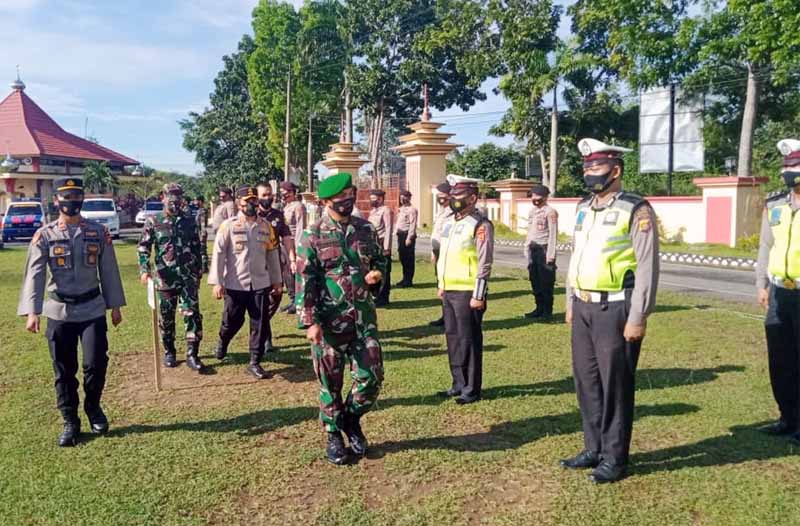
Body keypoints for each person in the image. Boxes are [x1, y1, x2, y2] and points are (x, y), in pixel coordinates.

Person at [561, 138, 659, 484]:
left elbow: (647, 267)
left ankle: (615, 458)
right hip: (584, 305)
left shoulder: (636, 209)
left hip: (616, 306)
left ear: (615, 170)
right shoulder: (583, 207)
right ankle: (594, 447)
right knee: (586, 381)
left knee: (614, 384)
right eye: (586, 167)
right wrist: (570, 300)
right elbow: (576, 256)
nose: (590, 173)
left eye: (596, 167)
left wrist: (638, 316)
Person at [17, 177, 125, 446]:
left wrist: (115, 306)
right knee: (64, 370)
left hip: (92, 309)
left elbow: (109, 270)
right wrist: (33, 312)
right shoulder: (45, 235)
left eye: (76, 196)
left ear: (82, 200)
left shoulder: (98, 232)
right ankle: (70, 420)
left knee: (95, 364)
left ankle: (93, 407)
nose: (71, 201)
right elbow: (35, 274)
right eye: (66, 196)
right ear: (56, 200)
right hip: (59, 311)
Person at [296, 172, 388, 465]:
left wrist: (377, 277)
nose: (348, 200)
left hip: (363, 319)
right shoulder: (313, 235)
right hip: (328, 322)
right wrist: (309, 321)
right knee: (330, 383)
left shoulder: (366, 229)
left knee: (371, 377)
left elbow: (379, 261)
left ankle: (351, 419)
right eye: (341, 197)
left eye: (351, 194)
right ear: (326, 201)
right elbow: (304, 280)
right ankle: (334, 434)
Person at [209, 185, 282, 379]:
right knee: (232, 320)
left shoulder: (266, 226)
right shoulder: (228, 226)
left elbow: (272, 255)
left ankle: (255, 361)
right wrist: (217, 282)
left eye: (253, 201)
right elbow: (218, 254)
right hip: (235, 283)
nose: (251, 204)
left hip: (260, 282)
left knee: (260, 322)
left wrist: (276, 281)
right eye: (246, 201)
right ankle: (223, 341)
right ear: (238, 203)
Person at [755, 138, 800, 443]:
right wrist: (761, 283)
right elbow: (765, 246)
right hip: (779, 293)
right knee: (781, 360)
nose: (789, 171)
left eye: (795, 165)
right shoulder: (775, 204)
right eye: (786, 166)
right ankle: (788, 417)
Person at [436, 175, 494, 405]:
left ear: (472, 197)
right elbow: (444, 256)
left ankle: (471, 388)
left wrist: (478, 295)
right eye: (453, 196)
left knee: (468, 340)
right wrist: (442, 284)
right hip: (450, 289)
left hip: (468, 292)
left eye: (459, 196)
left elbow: (484, 262)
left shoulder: (480, 224)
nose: (454, 200)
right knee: (453, 339)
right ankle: (457, 383)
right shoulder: (451, 222)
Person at [138, 183, 205, 372]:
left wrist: (199, 271)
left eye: (178, 196)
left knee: (192, 314)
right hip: (165, 278)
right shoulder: (154, 221)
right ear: (163, 197)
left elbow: (196, 247)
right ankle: (169, 351)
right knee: (166, 317)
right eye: (170, 196)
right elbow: (143, 247)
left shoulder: (189, 221)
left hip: (187, 277)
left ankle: (192, 354)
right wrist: (144, 269)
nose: (174, 201)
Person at [257, 182, 292, 352]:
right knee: (262, 300)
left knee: (276, 297)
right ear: (256, 197)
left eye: (269, 194)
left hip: (275, 263)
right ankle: (265, 338)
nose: (268, 197)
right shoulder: (251, 215)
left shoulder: (278, 214)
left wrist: (292, 258)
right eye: (264, 194)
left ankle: (260, 324)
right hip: (256, 265)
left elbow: (286, 236)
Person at [524, 184, 558, 320]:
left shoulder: (550, 212)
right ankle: (538, 308)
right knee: (535, 280)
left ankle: (547, 312)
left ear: (545, 198)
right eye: (533, 197)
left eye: (538, 198)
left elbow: (553, 234)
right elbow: (530, 231)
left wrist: (551, 254)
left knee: (546, 282)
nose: (535, 200)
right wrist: (526, 247)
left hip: (544, 249)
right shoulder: (532, 211)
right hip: (533, 248)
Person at [280, 181, 307, 314]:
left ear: (292, 193)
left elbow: (300, 228)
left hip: (293, 243)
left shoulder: (298, 206)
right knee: (286, 273)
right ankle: (292, 299)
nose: (283, 196)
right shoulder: (286, 206)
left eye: (286, 193)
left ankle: (298, 301)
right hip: (284, 243)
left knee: (294, 272)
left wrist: (297, 250)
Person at [429, 181, 452, 327]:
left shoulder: (452, 212)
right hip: (438, 252)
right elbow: (436, 233)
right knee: (440, 284)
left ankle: (449, 317)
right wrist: (433, 251)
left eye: (443, 196)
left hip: (447, 252)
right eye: (438, 196)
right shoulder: (440, 211)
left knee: (447, 285)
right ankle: (444, 315)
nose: (440, 198)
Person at [368, 189, 394, 306]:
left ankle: (384, 297)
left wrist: (386, 248)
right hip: (373, 245)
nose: (372, 200)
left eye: (374, 198)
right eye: (371, 198)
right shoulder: (373, 211)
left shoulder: (386, 210)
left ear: (380, 198)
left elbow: (388, 229)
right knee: (375, 271)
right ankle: (376, 295)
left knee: (384, 272)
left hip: (382, 243)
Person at [395, 190, 419, 288]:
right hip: (400, 235)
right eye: (401, 197)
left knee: (408, 259)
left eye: (404, 197)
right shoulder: (401, 209)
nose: (402, 199)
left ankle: (408, 280)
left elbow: (413, 225)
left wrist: (409, 238)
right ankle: (404, 278)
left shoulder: (412, 210)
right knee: (403, 258)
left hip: (407, 235)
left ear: (409, 198)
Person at [194, 195, 209, 274]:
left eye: (196, 201)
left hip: (201, 233)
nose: (195, 202)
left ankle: (204, 267)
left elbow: (203, 224)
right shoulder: (199, 210)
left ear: (200, 201)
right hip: (199, 232)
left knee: (202, 251)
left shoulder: (202, 211)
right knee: (201, 250)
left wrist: (202, 234)